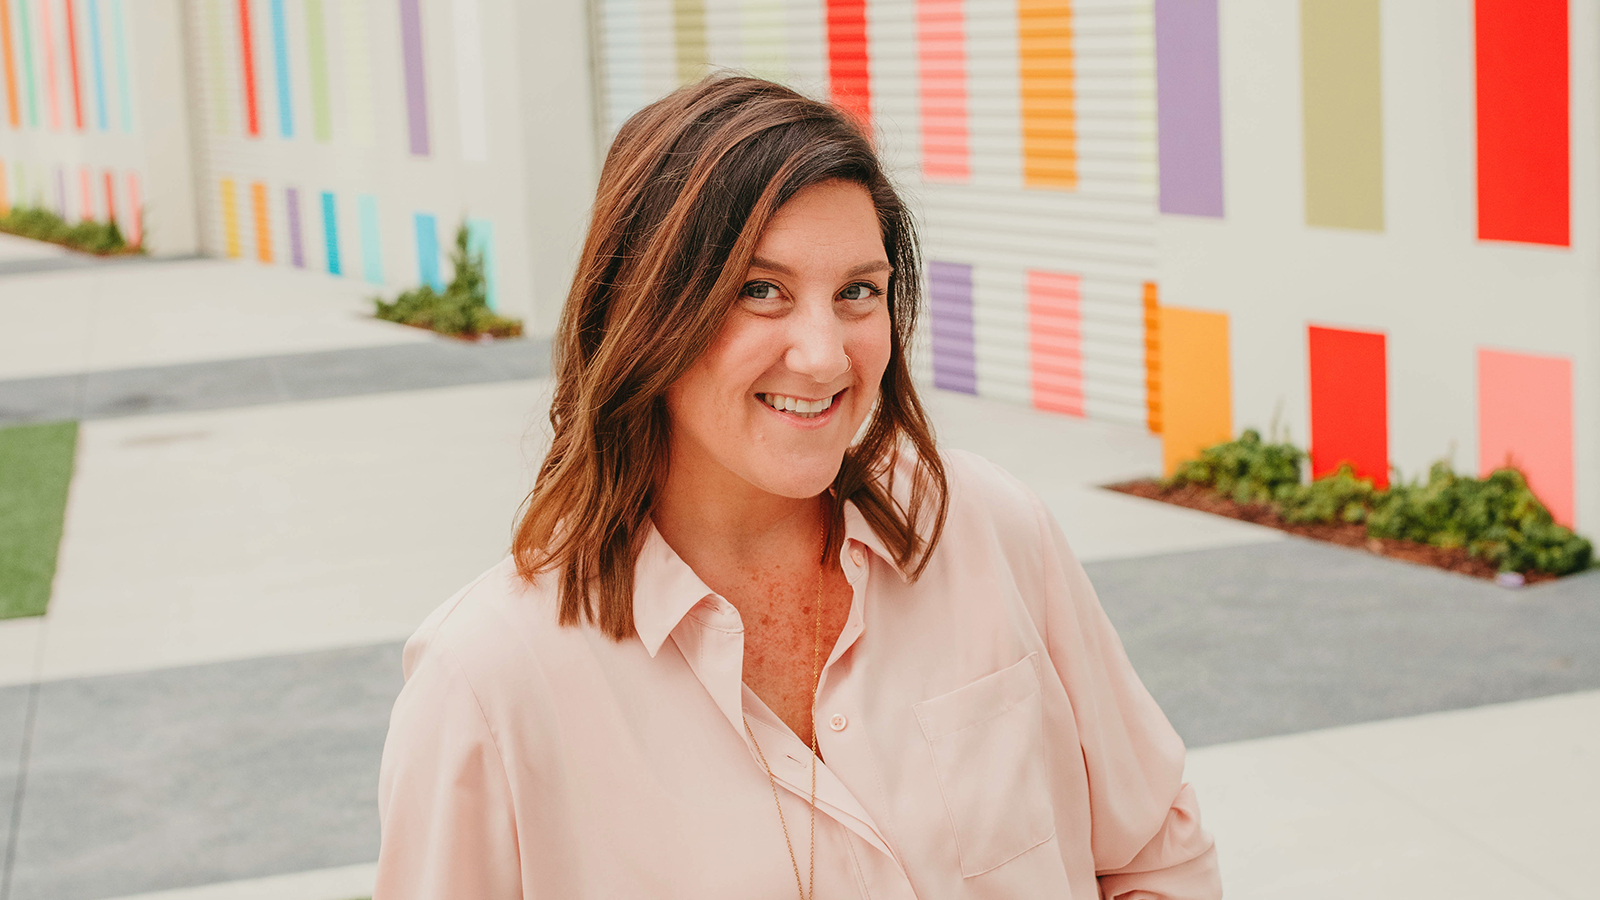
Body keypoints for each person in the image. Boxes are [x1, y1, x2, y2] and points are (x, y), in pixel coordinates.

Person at [374, 75, 1220, 900]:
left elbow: (1155, 855)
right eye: (761, 291)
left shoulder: (988, 531)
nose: (823, 356)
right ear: (641, 309)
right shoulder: (486, 683)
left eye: (858, 291)